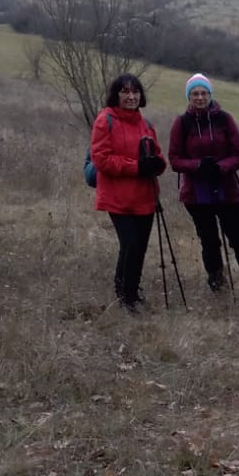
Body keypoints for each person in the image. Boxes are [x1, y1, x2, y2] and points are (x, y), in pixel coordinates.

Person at [167, 74, 239, 297]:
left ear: (210, 94)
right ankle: (216, 282)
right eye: (195, 93)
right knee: (209, 240)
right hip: (196, 194)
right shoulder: (181, 123)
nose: (200, 97)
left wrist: (221, 167)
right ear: (188, 97)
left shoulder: (225, 119)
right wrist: (198, 166)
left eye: (204, 93)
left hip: (227, 190)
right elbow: (174, 160)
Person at [90, 73, 165, 313]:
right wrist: (136, 167)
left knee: (139, 247)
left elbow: (158, 156)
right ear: (116, 94)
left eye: (135, 92)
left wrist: (157, 164)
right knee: (131, 244)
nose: (131, 96)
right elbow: (101, 159)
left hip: (145, 195)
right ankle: (125, 296)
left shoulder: (146, 124)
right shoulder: (105, 120)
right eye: (125, 92)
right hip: (117, 196)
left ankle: (130, 291)